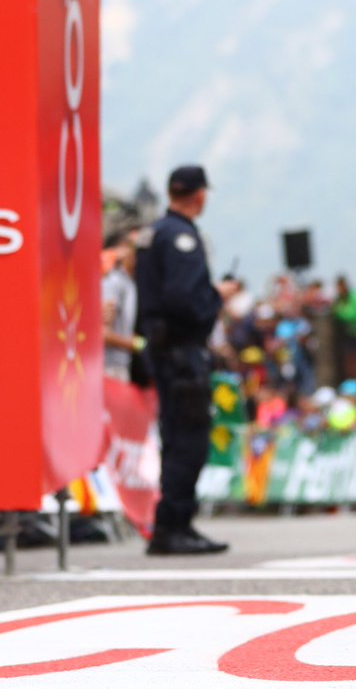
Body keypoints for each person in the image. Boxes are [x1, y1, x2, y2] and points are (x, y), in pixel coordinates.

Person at [136, 165, 237, 555]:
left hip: (163, 349)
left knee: (176, 437)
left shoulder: (153, 233)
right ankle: (173, 526)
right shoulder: (181, 237)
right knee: (188, 440)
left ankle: (175, 524)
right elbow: (183, 299)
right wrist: (215, 296)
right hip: (182, 352)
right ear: (199, 195)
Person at [101, 229, 145, 382]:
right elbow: (103, 334)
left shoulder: (131, 283)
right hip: (109, 368)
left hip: (121, 366)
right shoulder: (113, 282)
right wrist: (140, 345)